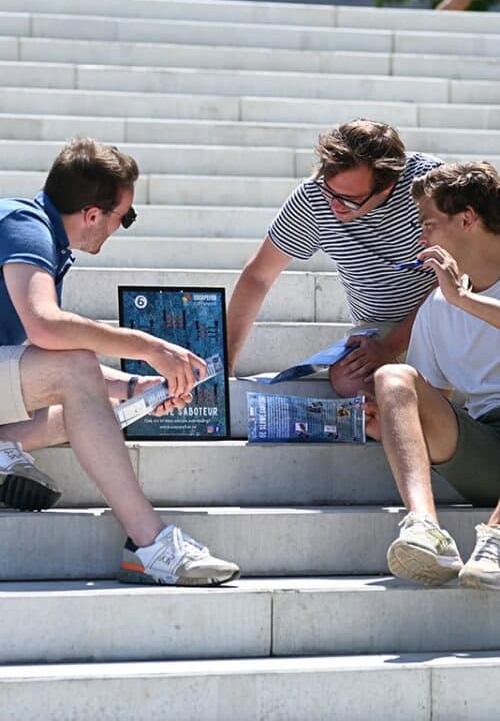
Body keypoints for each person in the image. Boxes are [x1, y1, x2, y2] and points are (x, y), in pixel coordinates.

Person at [0, 138, 239, 587]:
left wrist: (133, 387)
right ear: (93, 214)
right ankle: (149, 543)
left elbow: (42, 359)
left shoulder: (39, 235)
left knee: (94, 411)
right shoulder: (24, 225)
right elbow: (46, 328)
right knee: (78, 370)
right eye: (124, 217)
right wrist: (148, 346)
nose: (121, 227)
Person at [227, 119, 441, 396]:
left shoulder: (430, 185)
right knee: (348, 378)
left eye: (350, 199)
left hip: (443, 314)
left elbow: (461, 276)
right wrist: (226, 364)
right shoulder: (314, 196)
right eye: (330, 191)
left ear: (387, 188)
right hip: (378, 326)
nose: (334, 205)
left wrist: (391, 346)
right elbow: (258, 276)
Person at [368, 161, 500, 589]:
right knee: (393, 377)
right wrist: (392, 422)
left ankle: (496, 541)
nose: (420, 239)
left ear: (467, 219)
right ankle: (426, 530)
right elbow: (435, 402)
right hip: (486, 448)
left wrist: (463, 299)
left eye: (428, 225)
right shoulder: (438, 307)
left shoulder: (453, 298)